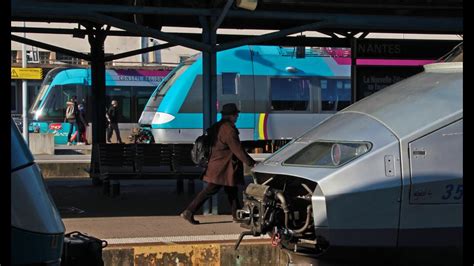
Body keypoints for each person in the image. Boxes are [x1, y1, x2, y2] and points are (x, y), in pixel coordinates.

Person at [180, 103, 256, 224]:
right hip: (223, 167)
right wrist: (251, 163)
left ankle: (236, 215)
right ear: (231, 115)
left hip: (218, 165)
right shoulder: (228, 129)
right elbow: (238, 150)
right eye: (236, 115)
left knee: (232, 190)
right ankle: (189, 211)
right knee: (210, 190)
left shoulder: (217, 126)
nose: (237, 117)